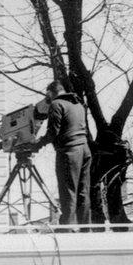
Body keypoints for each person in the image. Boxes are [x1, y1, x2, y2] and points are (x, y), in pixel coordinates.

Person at [33, 79, 91, 225]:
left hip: (69, 152)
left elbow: (53, 132)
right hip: (85, 150)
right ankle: (86, 230)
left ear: (50, 93)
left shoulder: (56, 104)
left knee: (68, 192)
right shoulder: (78, 104)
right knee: (83, 192)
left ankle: (67, 230)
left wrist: (36, 145)